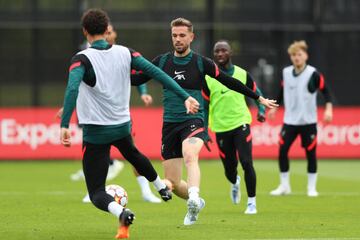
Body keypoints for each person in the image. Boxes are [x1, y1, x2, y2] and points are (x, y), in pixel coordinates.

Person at [60, 9, 200, 239]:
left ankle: (121, 212)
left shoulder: (80, 59)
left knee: (96, 192)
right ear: (107, 30)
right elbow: (158, 73)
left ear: (85, 31)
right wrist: (185, 95)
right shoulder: (127, 53)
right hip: (122, 125)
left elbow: (72, 88)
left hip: (95, 131)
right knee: (132, 152)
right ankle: (160, 186)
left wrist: (65, 123)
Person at [131, 17, 278, 225]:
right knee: (172, 181)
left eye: (182, 35)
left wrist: (257, 97)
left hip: (193, 120)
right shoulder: (162, 61)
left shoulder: (201, 62)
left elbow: (229, 81)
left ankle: (192, 199)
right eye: (175, 35)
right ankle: (197, 201)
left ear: (192, 37)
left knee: (190, 155)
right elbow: (137, 79)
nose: (178, 39)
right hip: (169, 125)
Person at [65, 23, 162, 204]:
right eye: (105, 31)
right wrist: (67, 107)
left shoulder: (121, 54)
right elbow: (76, 86)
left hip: (118, 116)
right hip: (95, 113)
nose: (108, 34)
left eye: (110, 31)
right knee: (98, 154)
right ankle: (95, 188)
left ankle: (145, 190)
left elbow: (137, 73)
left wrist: (144, 93)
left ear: (114, 34)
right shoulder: (87, 55)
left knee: (132, 154)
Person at [203, 40, 266, 214]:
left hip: (241, 123)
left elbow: (256, 93)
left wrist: (261, 110)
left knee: (246, 162)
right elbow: (205, 106)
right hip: (221, 128)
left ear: (230, 53)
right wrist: (204, 130)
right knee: (230, 169)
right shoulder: (209, 78)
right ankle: (234, 182)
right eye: (217, 51)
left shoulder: (242, 74)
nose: (220, 54)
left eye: (224, 50)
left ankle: (252, 203)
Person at [268, 40, 333, 197]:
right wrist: (274, 108)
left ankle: (311, 188)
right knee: (282, 151)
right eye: (293, 55)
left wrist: (328, 109)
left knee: (310, 153)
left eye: (299, 54)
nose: (296, 57)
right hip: (290, 121)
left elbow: (326, 92)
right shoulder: (286, 73)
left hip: (308, 121)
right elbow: (281, 91)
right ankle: (284, 186)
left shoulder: (313, 74)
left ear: (305, 56)